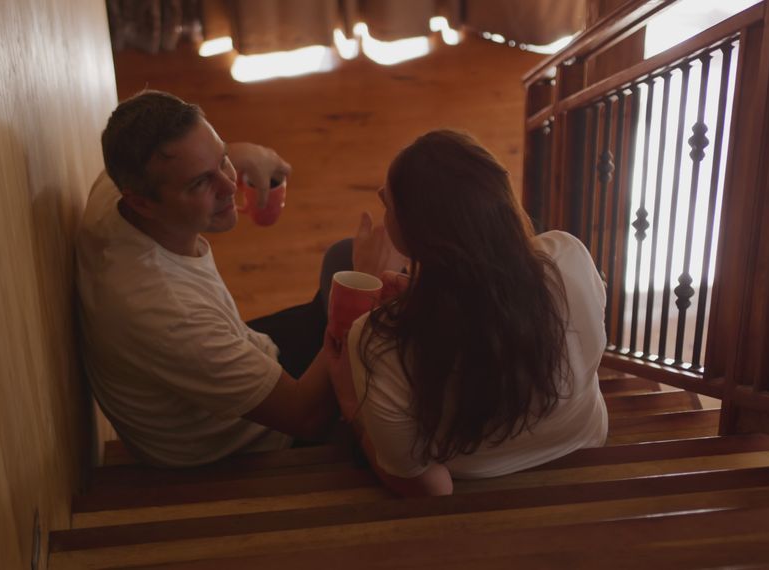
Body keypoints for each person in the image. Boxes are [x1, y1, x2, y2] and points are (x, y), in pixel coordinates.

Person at [75, 90, 400, 467]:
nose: (230, 186)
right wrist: (363, 287)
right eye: (200, 183)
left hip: (250, 355)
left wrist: (247, 154)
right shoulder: (169, 314)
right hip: (255, 441)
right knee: (385, 301)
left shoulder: (116, 189)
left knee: (343, 256)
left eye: (223, 160)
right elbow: (304, 417)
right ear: (141, 203)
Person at [327, 130, 609, 497]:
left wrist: (350, 402)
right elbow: (505, 310)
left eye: (389, 204)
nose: (382, 199)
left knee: (337, 258)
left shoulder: (380, 339)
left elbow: (430, 488)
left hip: (478, 488)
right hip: (587, 447)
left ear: (416, 236)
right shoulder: (568, 256)